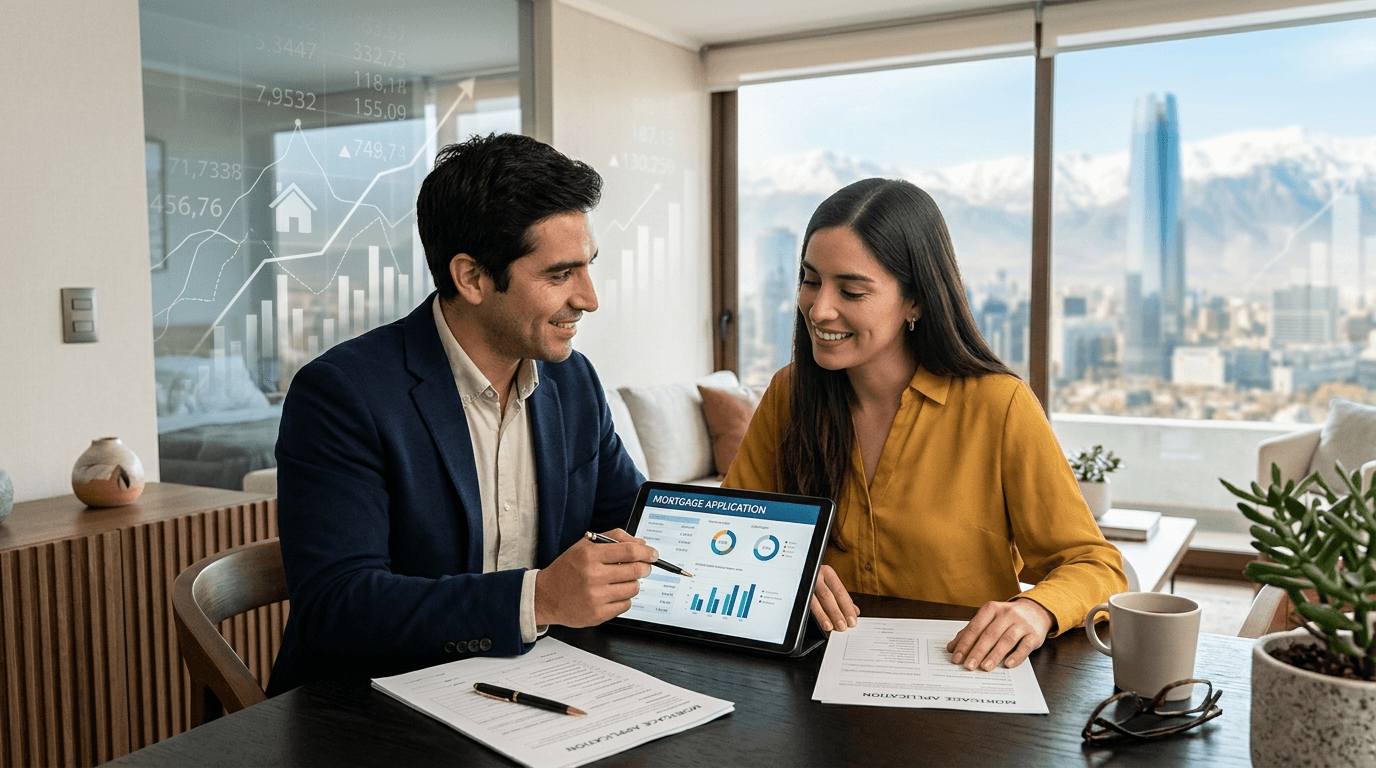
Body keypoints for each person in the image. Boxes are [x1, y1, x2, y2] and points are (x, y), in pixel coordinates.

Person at [268, 133, 658, 695]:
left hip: (535, 688)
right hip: (371, 707)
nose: (589, 298)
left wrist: (773, 571)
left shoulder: (573, 381)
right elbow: (337, 607)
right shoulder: (342, 394)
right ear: (472, 277)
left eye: (588, 267)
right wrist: (540, 598)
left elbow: (635, 520)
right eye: (559, 274)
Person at [724, 178, 1127, 673]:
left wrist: (1035, 609)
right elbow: (730, 532)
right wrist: (788, 573)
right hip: (806, 685)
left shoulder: (998, 405)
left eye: (851, 289)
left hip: (963, 686)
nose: (818, 308)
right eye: (810, 281)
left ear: (916, 301)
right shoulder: (789, 395)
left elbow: (1096, 565)